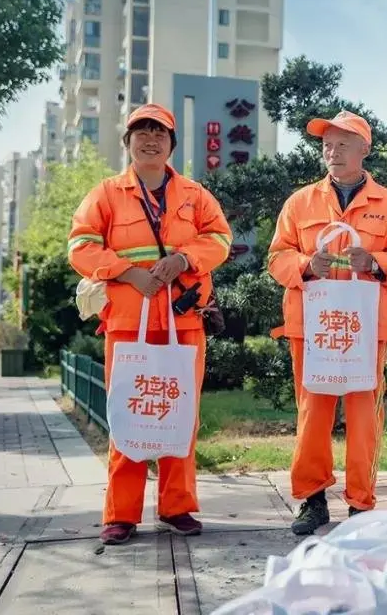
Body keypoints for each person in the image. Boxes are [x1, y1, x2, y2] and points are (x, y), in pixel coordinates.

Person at [67, 103, 233, 545]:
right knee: (129, 412)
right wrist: (125, 271)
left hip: (183, 322)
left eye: (159, 132)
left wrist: (184, 258)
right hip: (127, 321)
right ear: (127, 143)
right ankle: (121, 513)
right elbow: (80, 247)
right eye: (140, 131)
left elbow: (219, 240)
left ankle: (177, 507)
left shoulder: (195, 195)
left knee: (180, 413)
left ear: (171, 145)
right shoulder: (104, 194)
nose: (150, 139)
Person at [267, 111, 387, 536]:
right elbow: (276, 259)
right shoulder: (300, 203)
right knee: (312, 413)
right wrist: (305, 265)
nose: (332, 152)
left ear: (364, 150)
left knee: (364, 416)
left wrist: (375, 262)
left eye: (342, 144)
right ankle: (312, 501)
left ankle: (360, 504)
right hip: (313, 328)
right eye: (327, 145)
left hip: (365, 330)